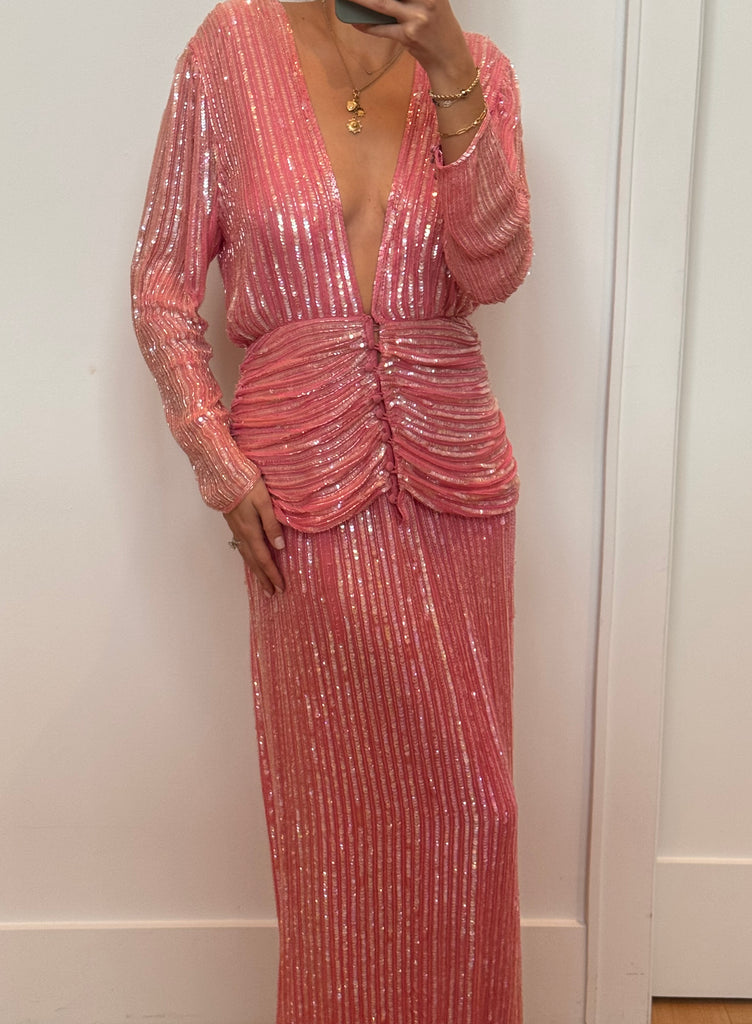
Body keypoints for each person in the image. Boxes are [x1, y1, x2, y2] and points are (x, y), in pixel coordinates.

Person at [130, 0, 532, 1019]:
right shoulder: (229, 50)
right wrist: (216, 459)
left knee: (474, 812)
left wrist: (448, 66)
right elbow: (162, 285)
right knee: (338, 828)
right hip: (301, 494)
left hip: (456, 485)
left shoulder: (478, 68)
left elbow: (493, 268)